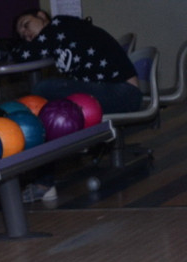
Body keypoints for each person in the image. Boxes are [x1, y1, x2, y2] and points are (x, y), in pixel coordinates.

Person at [12, 9, 143, 202]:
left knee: (43, 89)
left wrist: (15, 50)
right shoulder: (55, 38)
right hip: (115, 92)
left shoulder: (60, 25)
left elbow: (23, 55)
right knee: (50, 102)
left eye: (26, 25)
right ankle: (44, 180)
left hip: (123, 93)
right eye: (23, 35)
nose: (27, 34)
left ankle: (44, 182)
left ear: (41, 16)